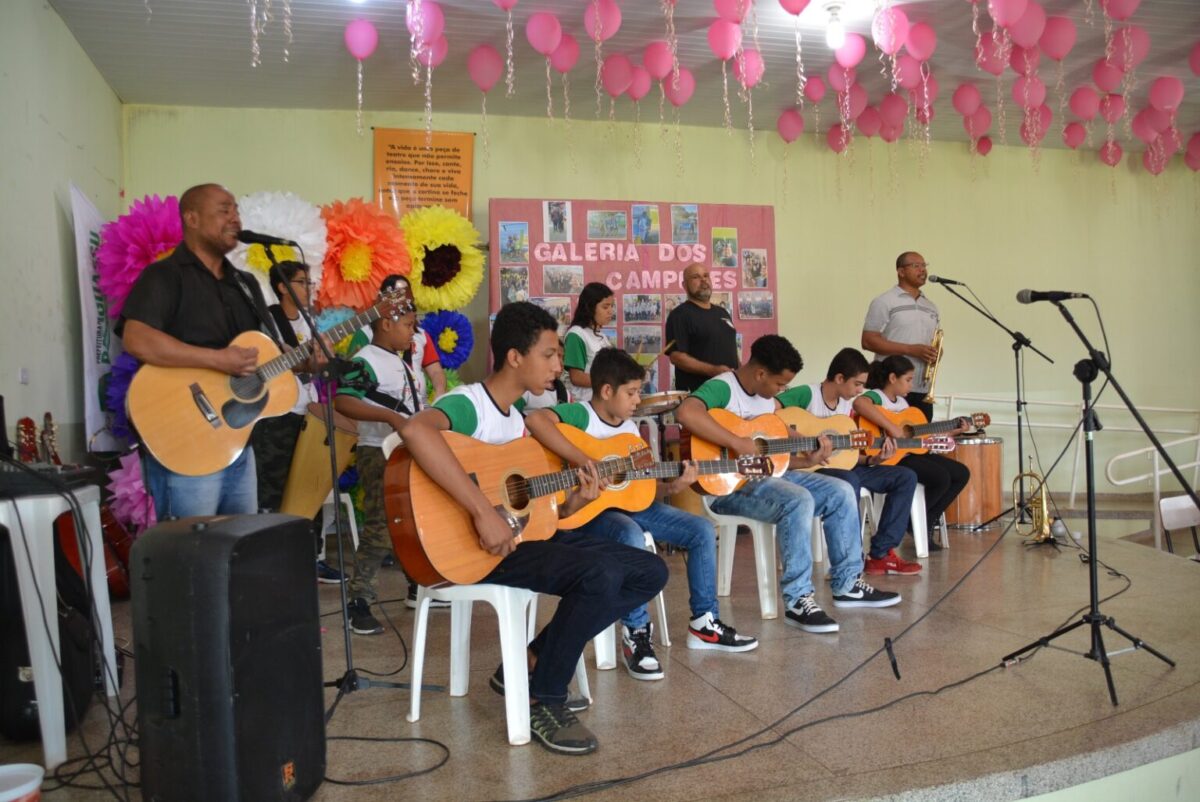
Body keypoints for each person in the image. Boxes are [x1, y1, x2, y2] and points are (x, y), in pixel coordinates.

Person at [399, 302, 668, 755]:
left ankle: (532, 660)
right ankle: (545, 699)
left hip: (521, 540)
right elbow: (415, 431)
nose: (558, 366)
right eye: (549, 355)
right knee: (598, 574)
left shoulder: (519, 418)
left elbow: (539, 513)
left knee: (649, 572)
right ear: (514, 357)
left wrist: (574, 501)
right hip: (473, 547)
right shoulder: (470, 404)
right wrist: (481, 511)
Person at [526, 348, 757, 681]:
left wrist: (675, 485)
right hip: (588, 510)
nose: (638, 400)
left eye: (639, 392)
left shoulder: (631, 431)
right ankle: (635, 634)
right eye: (631, 393)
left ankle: (704, 623)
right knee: (630, 536)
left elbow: (643, 489)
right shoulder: (580, 415)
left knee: (701, 530)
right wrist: (585, 462)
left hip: (632, 507)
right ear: (607, 391)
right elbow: (536, 420)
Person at [674, 335, 900, 636]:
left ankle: (847, 584)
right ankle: (798, 600)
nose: (782, 391)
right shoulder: (724, 387)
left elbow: (771, 459)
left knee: (841, 490)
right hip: (726, 486)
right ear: (760, 373)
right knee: (798, 500)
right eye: (780, 384)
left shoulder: (766, 400)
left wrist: (808, 460)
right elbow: (686, 412)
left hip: (769, 479)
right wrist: (735, 442)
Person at [120, 183, 276, 519]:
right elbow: (136, 338)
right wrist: (216, 360)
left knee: (238, 548)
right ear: (191, 218)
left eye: (236, 209)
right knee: (188, 553)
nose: (235, 217)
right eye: (224, 210)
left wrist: (303, 358)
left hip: (238, 442)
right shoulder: (164, 275)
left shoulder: (245, 285)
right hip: (185, 438)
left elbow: (262, 355)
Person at [777, 348, 922, 575]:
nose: (860, 391)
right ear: (839, 378)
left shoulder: (847, 407)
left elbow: (848, 455)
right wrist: (806, 442)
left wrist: (874, 458)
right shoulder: (807, 394)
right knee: (848, 480)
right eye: (856, 384)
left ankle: (881, 554)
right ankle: (850, 557)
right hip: (810, 468)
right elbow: (768, 415)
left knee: (905, 476)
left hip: (844, 467)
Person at [249, 261, 345, 583]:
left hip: (308, 413)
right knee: (273, 489)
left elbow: (319, 367)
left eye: (309, 282)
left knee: (310, 486)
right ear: (282, 287)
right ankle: (271, 559)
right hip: (276, 416)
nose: (309, 288)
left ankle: (312, 556)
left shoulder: (311, 322)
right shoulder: (269, 321)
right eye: (302, 282)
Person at [333, 310, 421, 635]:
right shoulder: (366, 359)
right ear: (386, 323)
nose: (414, 331)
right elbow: (343, 400)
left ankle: (418, 584)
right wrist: (391, 418)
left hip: (406, 451)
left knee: (409, 521)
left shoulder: (402, 362)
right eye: (409, 325)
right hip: (378, 451)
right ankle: (359, 601)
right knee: (380, 525)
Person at [854, 355, 971, 543]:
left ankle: (924, 521)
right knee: (940, 477)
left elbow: (921, 438)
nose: (911, 385)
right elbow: (860, 403)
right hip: (890, 457)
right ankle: (912, 521)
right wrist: (892, 428)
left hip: (908, 453)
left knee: (961, 473)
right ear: (893, 378)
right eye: (908, 380)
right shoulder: (878, 396)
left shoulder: (903, 405)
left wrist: (954, 430)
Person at [861, 251, 941, 420]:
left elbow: (934, 342)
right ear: (901, 271)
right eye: (916, 266)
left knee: (920, 444)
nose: (923, 270)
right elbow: (868, 341)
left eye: (924, 266)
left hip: (922, 388)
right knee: (889, 442)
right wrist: (911, 350)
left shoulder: (931, 306)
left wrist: (936, 353)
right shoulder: (884, 301)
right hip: (889, 387)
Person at [347, 274, 448, 402]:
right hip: (381, 412)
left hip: (419, 407)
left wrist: (440, 393)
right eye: (398, 294)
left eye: (407, 293)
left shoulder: (421, 335)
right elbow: (351, 377)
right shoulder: (365, 333)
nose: (404, 299)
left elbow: (435, 372)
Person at [664, 263, 739, 392]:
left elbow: (731, 349)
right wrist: (713, 371)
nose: (703, 280)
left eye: (706, 276)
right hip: (699, 394)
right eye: (696, 277)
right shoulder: (679, 315)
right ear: (684, 285)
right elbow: (676, 357)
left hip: (730, 390)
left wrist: (741, 373)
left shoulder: (723, 312)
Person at [562, 282, 615, 402]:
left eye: (612, 306)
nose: (610, 311)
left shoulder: (602, 336)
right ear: (590, 307)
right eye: (605, 307)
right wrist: (612, 381)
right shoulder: (576, 335)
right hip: (585, 404)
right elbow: (576, 377)